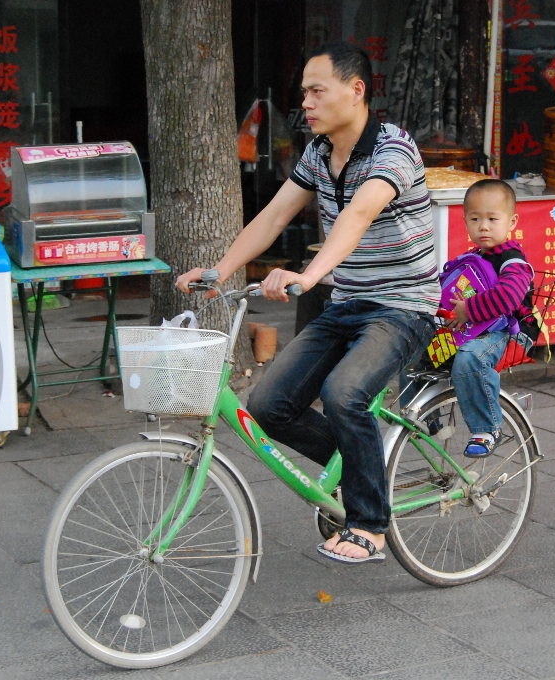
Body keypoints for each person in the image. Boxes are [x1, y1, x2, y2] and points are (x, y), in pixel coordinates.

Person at [177, 41, 440, 564]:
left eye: (317, 91)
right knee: (268, 405)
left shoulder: (394, 150)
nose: (307, 104)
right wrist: (219, 271)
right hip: (347, 303)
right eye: (304, 93)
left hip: (403, 306)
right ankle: (362, 470)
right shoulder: (319, 155)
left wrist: (308, 274)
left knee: (344, 394)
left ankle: (370, 523)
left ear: (356, 90)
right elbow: (274, 217)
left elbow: (359, 214)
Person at [445, 179, 533, 458]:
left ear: (512, 221)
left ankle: (486, 428)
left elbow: (508, 297)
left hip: (504, 332)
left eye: (493, 218)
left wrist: (468, 310)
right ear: (465, 221)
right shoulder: (472, 257)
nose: (483, 226)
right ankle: (423, 417)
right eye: (475, 219)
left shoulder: (513, 260)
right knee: (411, 339)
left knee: (471, 357)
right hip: (475, 328)